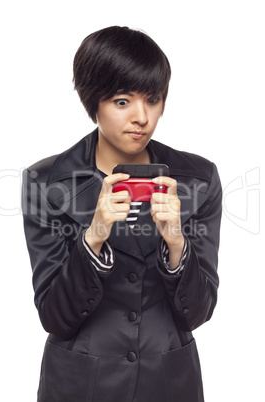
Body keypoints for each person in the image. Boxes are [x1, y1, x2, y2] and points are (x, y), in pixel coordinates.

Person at [22, 26, 222, 402]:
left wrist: (177, 245)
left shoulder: (199, 179)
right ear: (93, 102)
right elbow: (55, 316)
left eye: (153, 99)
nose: (141, 117)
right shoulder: (45, 181)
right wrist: (94, 236)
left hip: (170, 383)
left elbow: (198, 312)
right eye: (122, 101)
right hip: (79, 384)